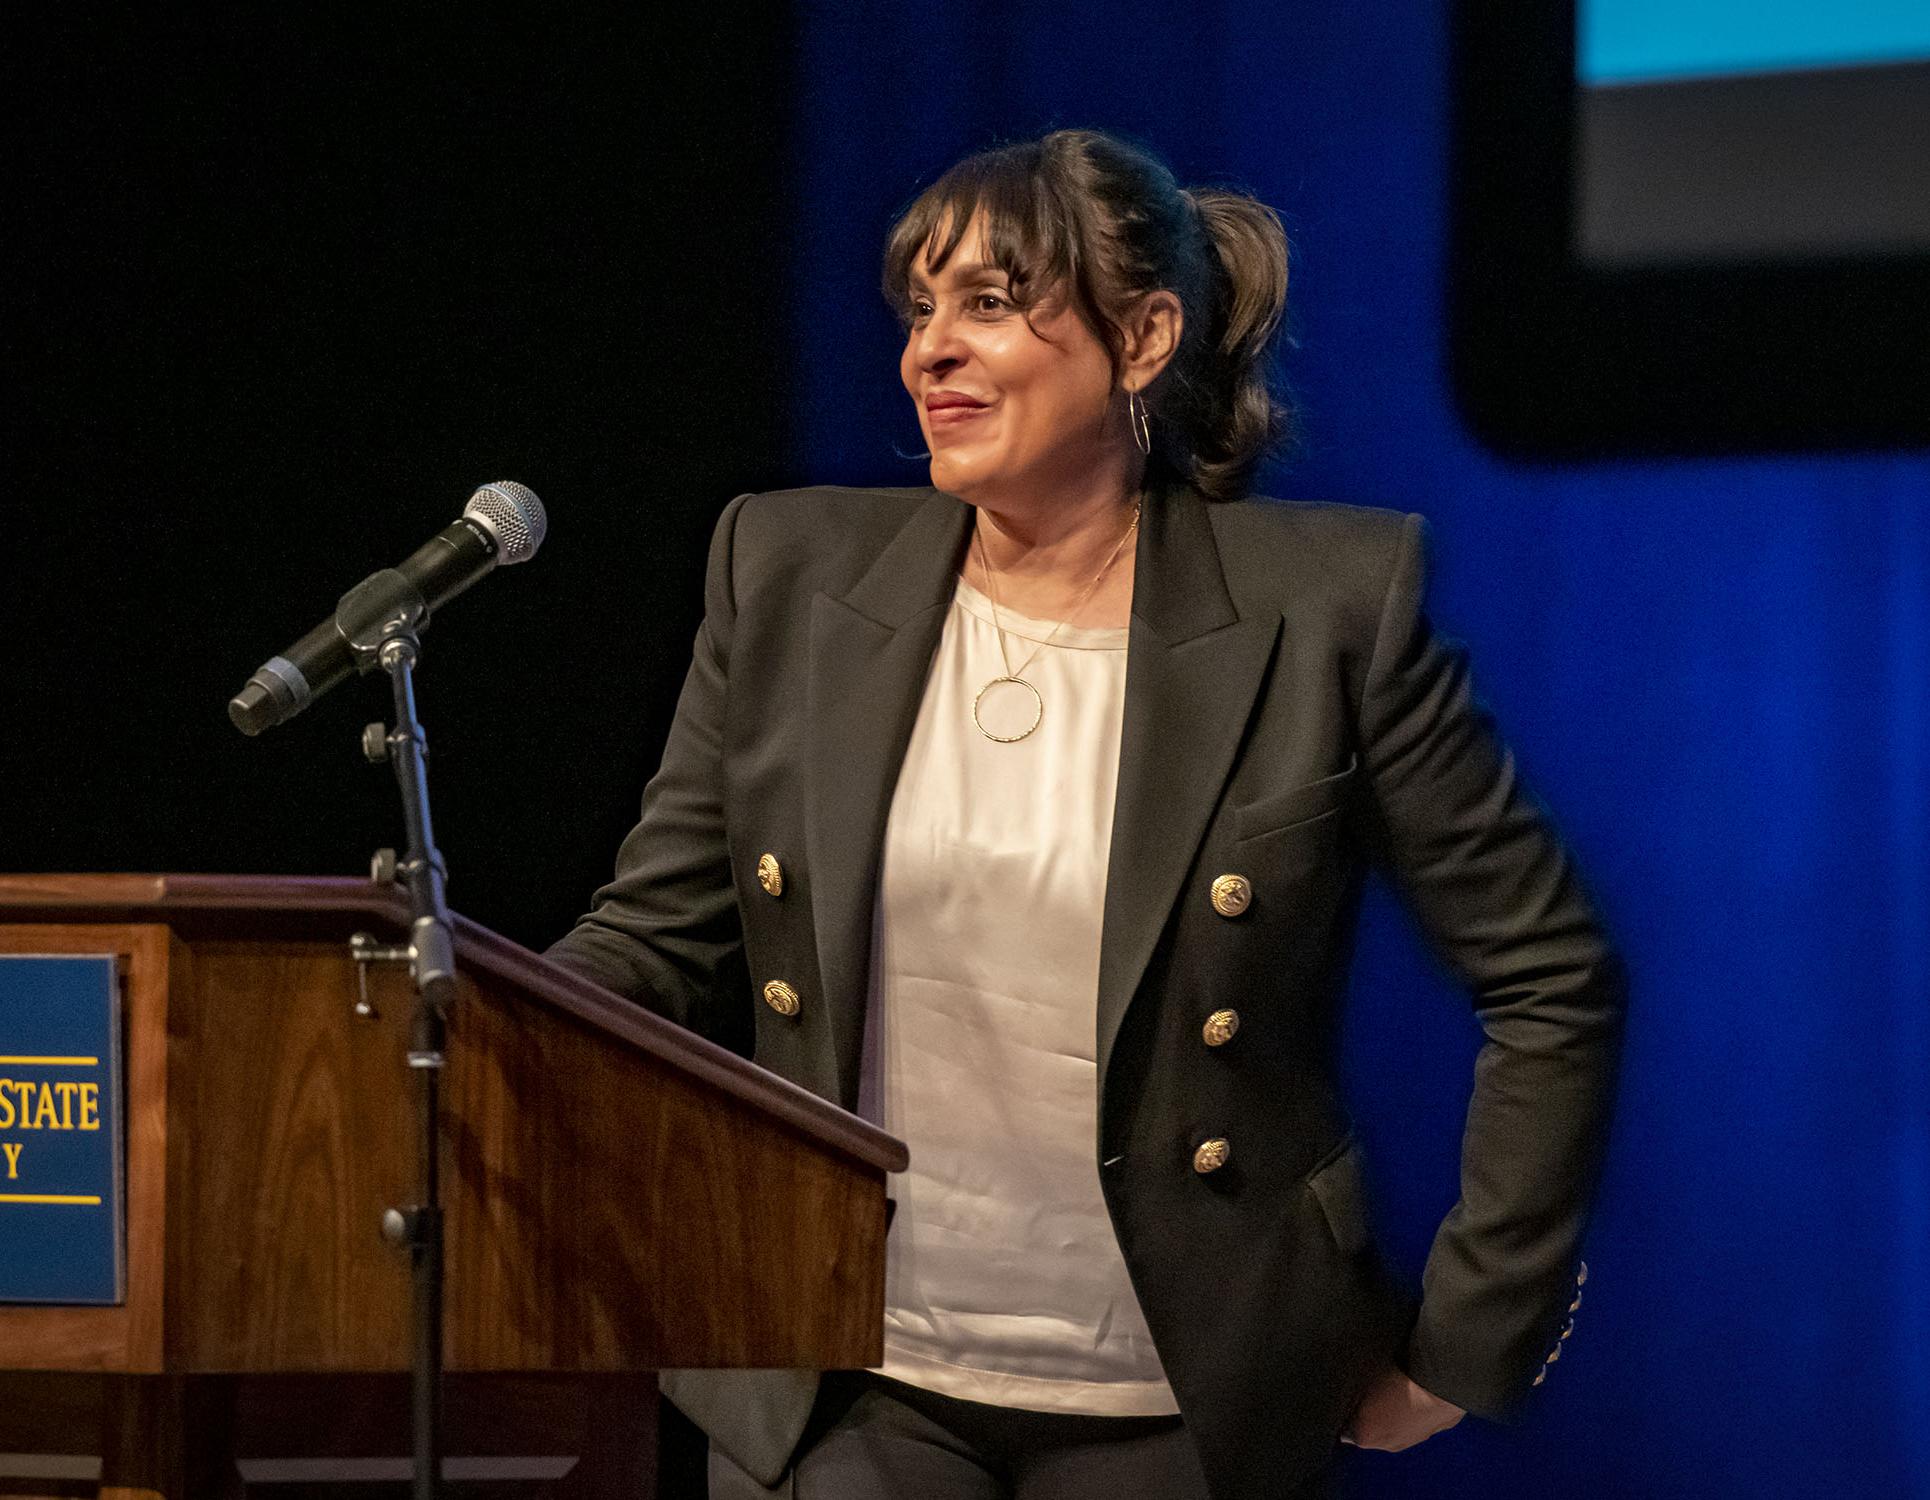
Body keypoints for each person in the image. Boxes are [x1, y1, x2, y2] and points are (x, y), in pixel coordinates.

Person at [547, 129, 1623, 1500]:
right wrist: (474, 1029)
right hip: (846, 1384)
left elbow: (1551, 978)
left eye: (988, 305)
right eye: (920, 310)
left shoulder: (1329, 611)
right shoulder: (789, 573)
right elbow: (654, 936)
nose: (929, 351)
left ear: (1143, 338)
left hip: (1185, 1402)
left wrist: (1468, 1342)